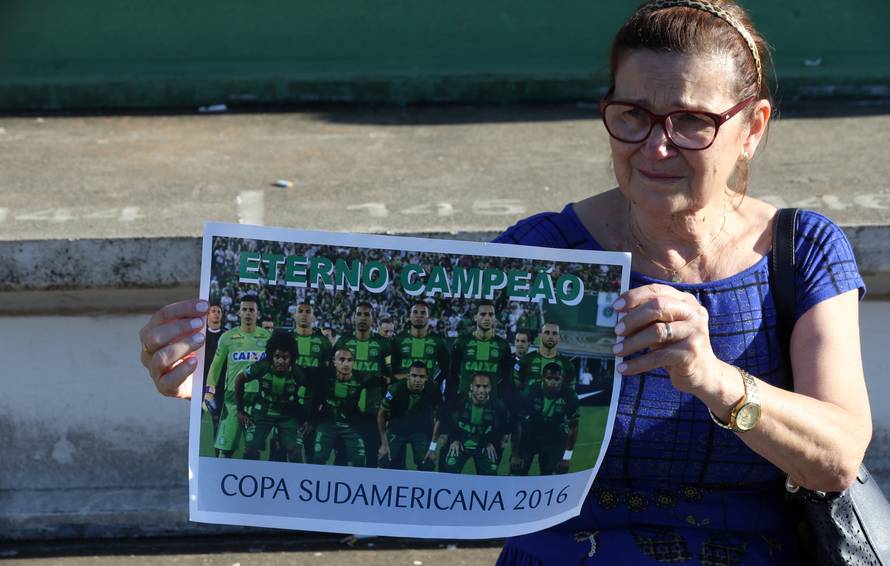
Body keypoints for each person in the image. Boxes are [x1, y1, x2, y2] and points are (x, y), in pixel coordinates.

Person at [139, 1, 871, 562]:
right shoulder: (543, 254)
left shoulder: (798, 250)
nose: (656, 145)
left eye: (691, 122)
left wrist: (715, 380)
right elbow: (416, 400)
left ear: (754, 126)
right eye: (632, 115)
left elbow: (839, 456)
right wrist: (224, 367)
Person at [202, 294, 271, 458]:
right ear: (239, 312)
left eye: (251, 310)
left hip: (257, 400)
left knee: (252, 450)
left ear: (257, 314)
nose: (248, 313)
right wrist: (209, 392)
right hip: (232, 399)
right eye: (244, 309)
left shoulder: (267, 338)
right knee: (224, 452)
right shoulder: (227, 338)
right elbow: (215, 366)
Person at [234, 330, 312, 462]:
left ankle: (295, 480)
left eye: (285, 357)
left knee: (295, 453)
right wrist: (240, 410)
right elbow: (239, 380)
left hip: (288, 415)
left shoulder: (298, 372)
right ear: (271, 356)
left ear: (292, 357)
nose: (281, 361)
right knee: (249, 450)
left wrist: (309, 418)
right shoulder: (262, 367)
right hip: (262, 413)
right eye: (277, 356)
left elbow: (312, 390)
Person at [332, 302, 392, 467]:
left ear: (373, 318)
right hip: (345, 412)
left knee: (370, 457)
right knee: (342, 457)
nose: (363, 318)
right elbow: (331, 375)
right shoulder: (343, 342)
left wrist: (388, 407)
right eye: (359, 314)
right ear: (353, 317)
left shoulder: (384, 345)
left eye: (367, 314)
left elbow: (389, 377)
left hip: (372, 412)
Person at [510, 363, 580, 476]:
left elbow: (573, 428)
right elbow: (518, 423)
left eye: (557, 379)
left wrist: (566, 458)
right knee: (517, 471)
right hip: (530, 435)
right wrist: (515, 454)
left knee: (553, 476)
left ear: (562, 379)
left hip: (555, 437)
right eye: (549, 378)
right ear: (542, 378)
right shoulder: (530, 391)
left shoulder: (570, 395)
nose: (553, 382)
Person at [441, 373, 510, 476]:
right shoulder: (459, 400)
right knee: (449, 471)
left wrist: (492, 442)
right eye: (478, 386)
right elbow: (447, 419)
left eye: (485, 386)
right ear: (471, 387)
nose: (481, 390)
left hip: (484, 445)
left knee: (490, 474)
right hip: (461, 443)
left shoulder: (498, 406)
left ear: (490, 388)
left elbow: (504, 428)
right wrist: (454, 439)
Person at [377, 361, 441, 470]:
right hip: (397, 429)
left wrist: (432, 448)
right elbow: (381, 414)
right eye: (414, 376)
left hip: (422, 430)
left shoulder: (433, 389)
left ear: (426, 378)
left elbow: (440, 418)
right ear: (408, 376)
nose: (417, 379)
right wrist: (384, 444)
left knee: (427, 463)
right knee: (384, 460)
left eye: (421, 376)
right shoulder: (395, 389)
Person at [311, 347, 367, 467]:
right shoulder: (324, 377)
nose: (345, 364)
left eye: (349, 360)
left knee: (359, 460)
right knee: (319, 458)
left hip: (351, 426)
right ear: (334, 362)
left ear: (354, 363)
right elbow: (316, 401)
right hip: (327, 423)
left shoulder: (362, 379)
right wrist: (311, 421)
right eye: (341, 359)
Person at [390, 301, 450, 384]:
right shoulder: (398, 339)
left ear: (428, 317)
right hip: (402, 392)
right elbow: (392, 370)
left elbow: (446, 369)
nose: (419, 316)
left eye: (423, 313)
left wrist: (434, 383)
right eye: (415, 312)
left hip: (428, 394)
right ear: (410, 316)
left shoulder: (438, 341)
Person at [515, 322, 578, 392]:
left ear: (559, 337)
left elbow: (571, 395)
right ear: (540, 335)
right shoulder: (525, 361)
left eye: (554, 333)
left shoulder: (567, 365)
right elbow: (515, 391)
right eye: (547, 333)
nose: (550, 336)